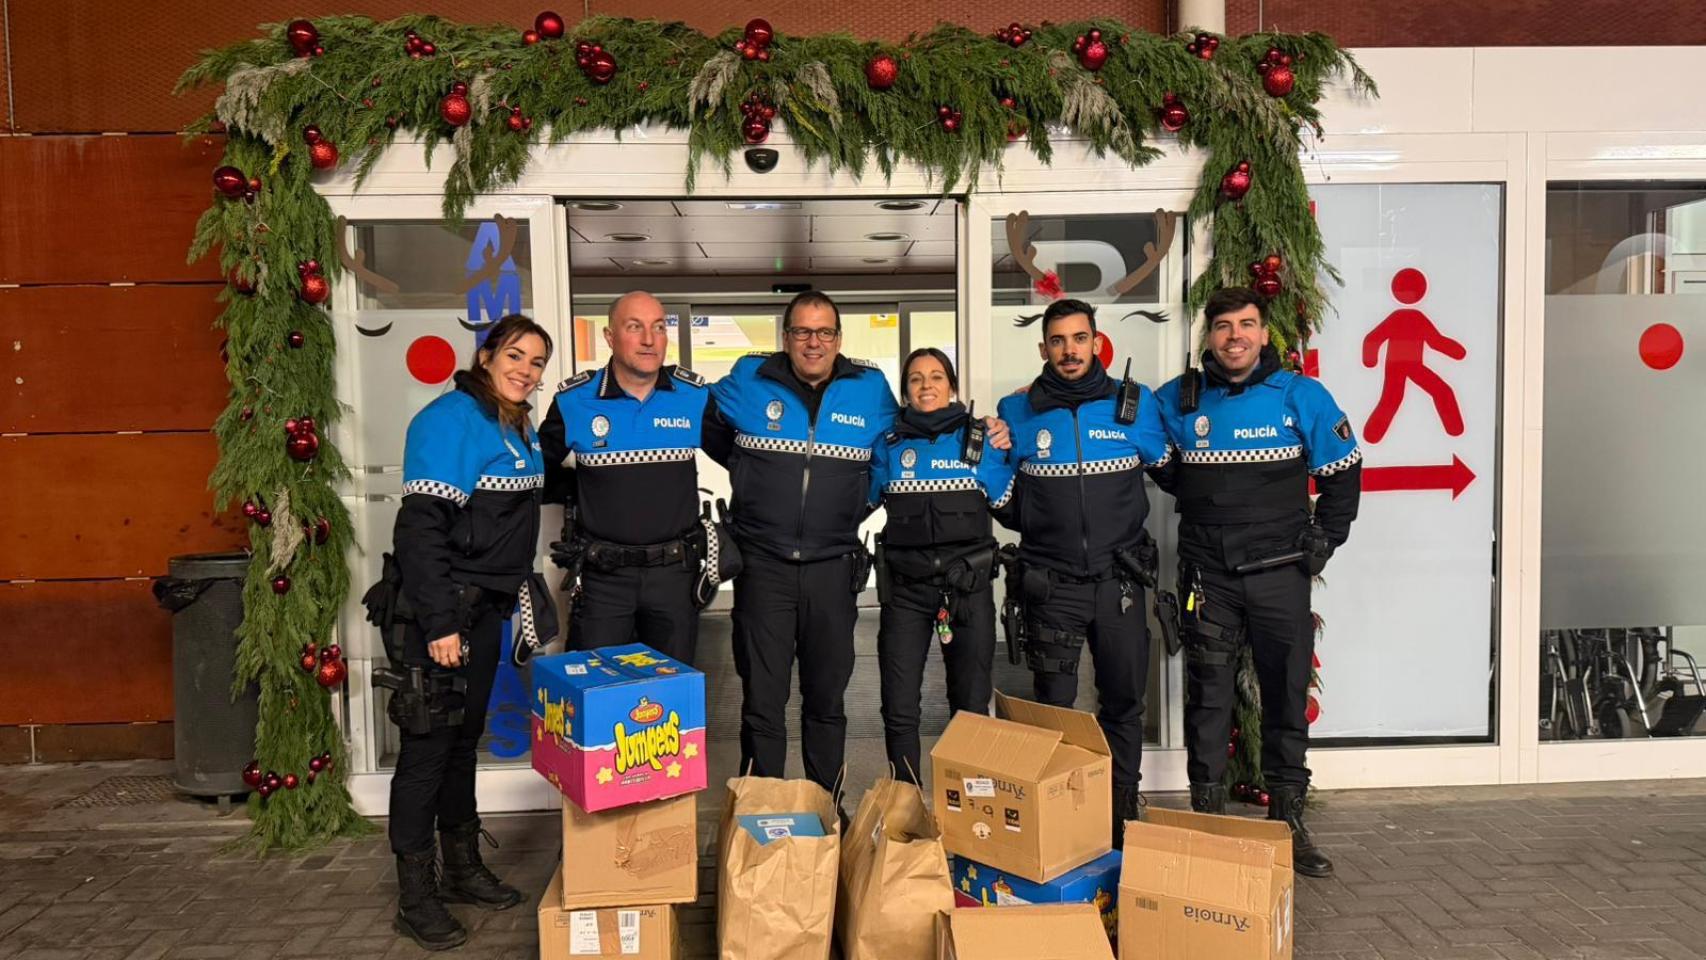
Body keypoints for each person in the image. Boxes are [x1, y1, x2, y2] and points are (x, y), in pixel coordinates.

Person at [1151, 286, 1362, 878]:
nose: (1235, 336)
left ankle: (1289, 823)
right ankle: (1206, 819)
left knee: (1286, 696)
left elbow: (1344, 473)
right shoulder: (1180, 399)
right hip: (1207, 578)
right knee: (1208, 700)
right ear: (1209, 336)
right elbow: (1137, 436)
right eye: (1223, 326)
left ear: (1265, 334)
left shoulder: (1301, 396)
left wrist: (1325, 539)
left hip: (1278, 576)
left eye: (1247, 324)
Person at [379, 315, 556, 950]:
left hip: (483, 613)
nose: (525, 370)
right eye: (515, 355)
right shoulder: (449, 418)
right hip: (441, 616)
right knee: (426, 755)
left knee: (461, 745)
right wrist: (440, 625)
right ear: (486, 356)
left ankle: (460, 871)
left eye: (536, 362)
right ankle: (415, 897)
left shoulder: (516, 424)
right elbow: (419, 532)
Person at [702, 291, 899, 800]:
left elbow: (891, 457)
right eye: (803, 332)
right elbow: (707, 429)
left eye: (825, 332)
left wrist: (850, 506)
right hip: (762, 566)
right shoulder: (750, 378)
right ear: (786, 337)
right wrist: (752, 480)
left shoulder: (870, 387)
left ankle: (826, 809)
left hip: (833, 567)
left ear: (839, 338)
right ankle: (760, 818)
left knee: (826, 700)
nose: (814, 342)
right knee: (762, 700)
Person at [996, 298, 1172, 845]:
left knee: (1123, 702)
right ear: (1043, 348)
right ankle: (1063, 814)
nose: (1069, 350)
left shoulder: (1135, 406)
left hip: (1118, 582)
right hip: (1052, 583)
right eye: (1057, 341)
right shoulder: (1017, 410)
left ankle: (1121, 811)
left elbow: (1176, 474)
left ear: (1097, 342)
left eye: (1078, 339)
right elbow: (1002, 497)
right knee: (1054, 708)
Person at [540, 291, 717, 665]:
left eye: (658, 327)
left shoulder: (694, 396)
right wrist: (581, 490)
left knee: (672, 700)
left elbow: (743, 459)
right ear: (609, 336)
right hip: (605, 579)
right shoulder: (575, 401)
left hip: (674, 576)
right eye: (635, 327)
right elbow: (534, 474)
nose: (649, 339)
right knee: (596, 693)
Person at [868, 348, 1014, 782]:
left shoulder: (981, 439)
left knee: (970, 705)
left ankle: (970, 812)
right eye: (915, 378)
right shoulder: (889, 445)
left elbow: (1011, 506)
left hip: (967, 589)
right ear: (906, 391)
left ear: (951, 385)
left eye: (936, 377)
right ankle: (905, 801)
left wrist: (1010, 438)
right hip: (906, 592)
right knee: (898, 703)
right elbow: (857, 501)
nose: (926, 385)